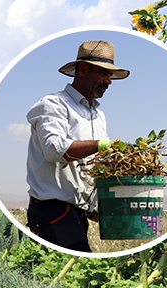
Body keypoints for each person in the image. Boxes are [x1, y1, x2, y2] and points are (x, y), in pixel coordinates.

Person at [26, 40, 130, 252]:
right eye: (104, 73)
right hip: (52, 211)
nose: (109, 81)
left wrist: (96, 206)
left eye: (111, 75)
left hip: (76, 213)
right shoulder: (54, 104)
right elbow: (53, 150)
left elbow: (93, 166)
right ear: (83, 69)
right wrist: (102, 145)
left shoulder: (98, 115)